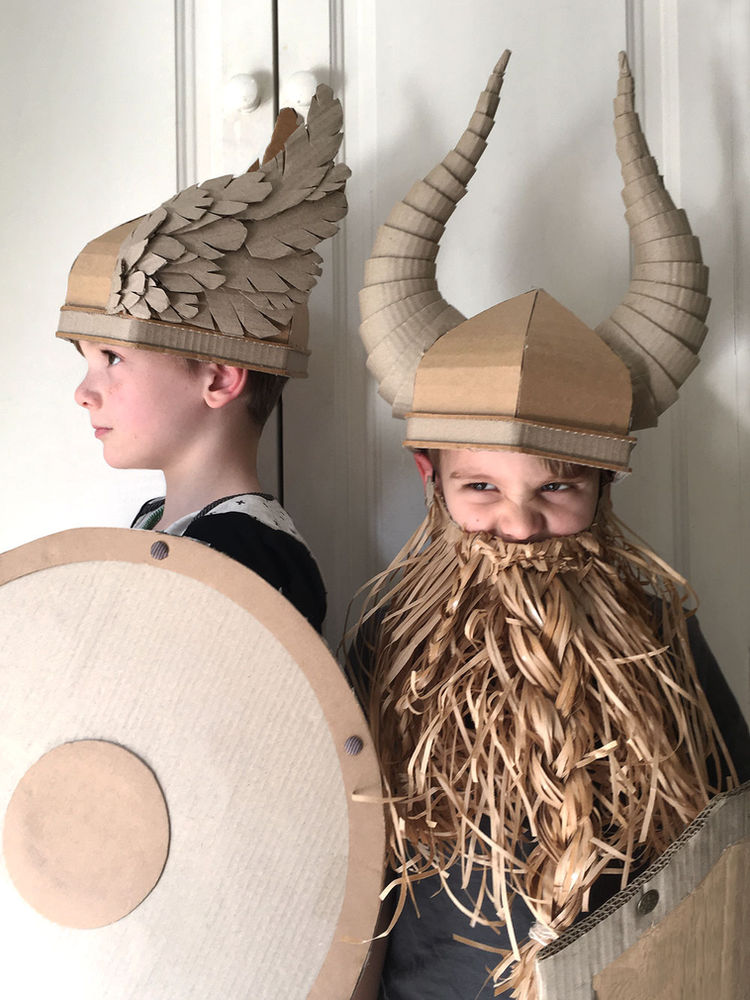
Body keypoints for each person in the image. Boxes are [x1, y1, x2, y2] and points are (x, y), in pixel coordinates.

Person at [349, 51, 750, 999]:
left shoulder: (656, 628)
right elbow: (348, 857)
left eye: (559, 489)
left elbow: (727, 830)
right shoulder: (387, 640)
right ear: (429, 479)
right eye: (480, 488)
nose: (519, 526)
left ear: (605, 493)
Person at [58, 88, 350, 633]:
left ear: (218, 377)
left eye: (113, 358)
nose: (82, 392)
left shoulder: (246, 551)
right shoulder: (159, 520)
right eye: (88, 360)